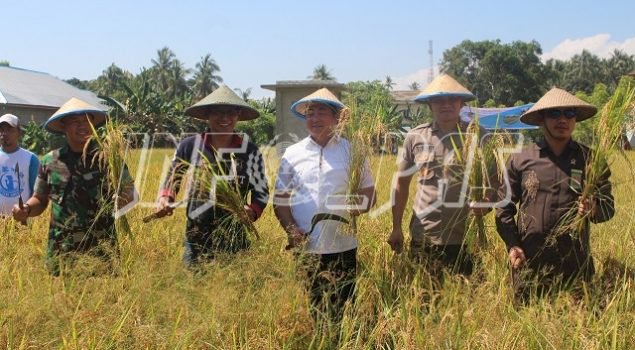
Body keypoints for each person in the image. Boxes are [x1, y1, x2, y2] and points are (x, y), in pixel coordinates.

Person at [495, 87, 615, 301]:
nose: (563, 119)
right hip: (530, 265)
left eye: (569, 113)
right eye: (554, 113)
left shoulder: (590, 159)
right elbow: (504, 207)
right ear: (542, 118)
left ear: (575, 118)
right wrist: (512, 244)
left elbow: (608, 207)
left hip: (576, 266)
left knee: (579, 329)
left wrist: (594, 208)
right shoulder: (521, 159)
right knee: (528, 327)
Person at [273, 88, 376, 323]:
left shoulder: (353, 151)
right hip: (306, 246)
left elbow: (369, 194)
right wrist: (291, 230)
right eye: (310, 113)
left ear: (336, 118)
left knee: (344, 309)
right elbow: (280, 200)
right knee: (311, 310)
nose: (315, 118)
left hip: (343, 245)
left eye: (322, 112)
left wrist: (357, 207)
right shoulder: (292, 153)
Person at [12, 98, 135, 275]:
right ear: (63, 127)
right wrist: (26, 209)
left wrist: (122, 199)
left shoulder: (108, 158)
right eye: (75, 122)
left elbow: (129, 191)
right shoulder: (50, 161)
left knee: (103, 301)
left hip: (101, 251)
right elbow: (39, 199)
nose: (82, 126)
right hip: (61, 252)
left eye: (86, 120)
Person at [388, 74, 492, 278]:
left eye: (452, 99)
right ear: (430, 104)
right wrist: (396, 227)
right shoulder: (415, 137)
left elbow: (495, 181)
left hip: (465, 237)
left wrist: (486, 204)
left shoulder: (478, 135)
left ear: (461, 103)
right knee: (424, 300)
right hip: (424, 234)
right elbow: (401, 183)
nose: (446, 105)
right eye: (438, 100)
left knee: (467, 302)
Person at [156, 85, 269, 267]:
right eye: (218, 112)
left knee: (235, 291)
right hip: (197, 235)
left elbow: (261, 192)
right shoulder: (190, 146)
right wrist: (165, 198)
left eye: (230, 112)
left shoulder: (249, 151)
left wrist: (252, 211)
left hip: (234, 236)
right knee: (196, 290)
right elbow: (173, 176)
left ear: (238, 115)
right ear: (208, 115)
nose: (224, 118)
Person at [0, 113, 39, 216]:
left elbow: (37, 193)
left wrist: (26, 211)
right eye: (2, 130)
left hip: (21, 221)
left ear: (19, 133)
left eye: (9, 130)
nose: (4, 133)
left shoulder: (31, 159)